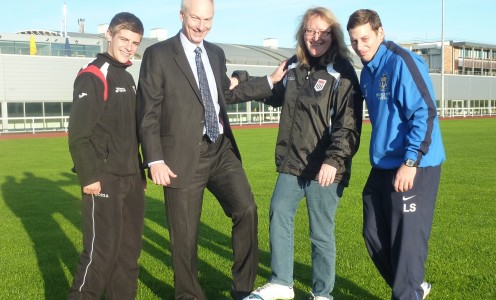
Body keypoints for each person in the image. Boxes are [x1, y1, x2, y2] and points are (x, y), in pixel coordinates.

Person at [136, 0, 285, 299]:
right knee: (185, 237)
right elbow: (148, 111)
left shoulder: (215, 53)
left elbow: (224, 94)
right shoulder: (158, 55)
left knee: (246, 210)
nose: (201, 26)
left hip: (220, 150)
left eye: (208, 19)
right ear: (181, 16)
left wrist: (269, 81)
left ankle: (243, 289)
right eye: (195, 18)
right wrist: (154, 159)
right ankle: (189, 295)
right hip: (180, 157)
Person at [242, 7, 363, 300]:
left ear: (333, 36)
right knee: (279, 213)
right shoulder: (294, 66)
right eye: (310, 30)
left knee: (320, 233)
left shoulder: (342, 72)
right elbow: (275, 92)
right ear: (302, 33)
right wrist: (242, 78)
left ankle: (322, 293)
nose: (316, 37)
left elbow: (348, 124)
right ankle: (282, 282)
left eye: (323, 32)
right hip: (293, 163)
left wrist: (333, 160)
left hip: (325, 167)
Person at [347, 9, 446, 300]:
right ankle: (412, 287)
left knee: (407, 243)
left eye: (365, 38)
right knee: (373, 233)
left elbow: (424, 112)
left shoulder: (401, 62)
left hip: (413, 165)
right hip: (383, 165)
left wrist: (410, 161)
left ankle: (408, 292)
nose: (360, 46)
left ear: (380, 32)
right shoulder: (367, 71)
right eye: (354, 41)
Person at [67, 12, 145, 300]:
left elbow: (130, 132)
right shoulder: (94, 75)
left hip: (131, 181)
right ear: (109, 36)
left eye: (135, 42)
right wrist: (90, 177)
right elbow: (78, 134)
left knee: (127, 257)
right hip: (104, 180)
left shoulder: (127, 76)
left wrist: (139, 172)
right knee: (100, 256)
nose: (128, 46)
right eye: (123, 38)